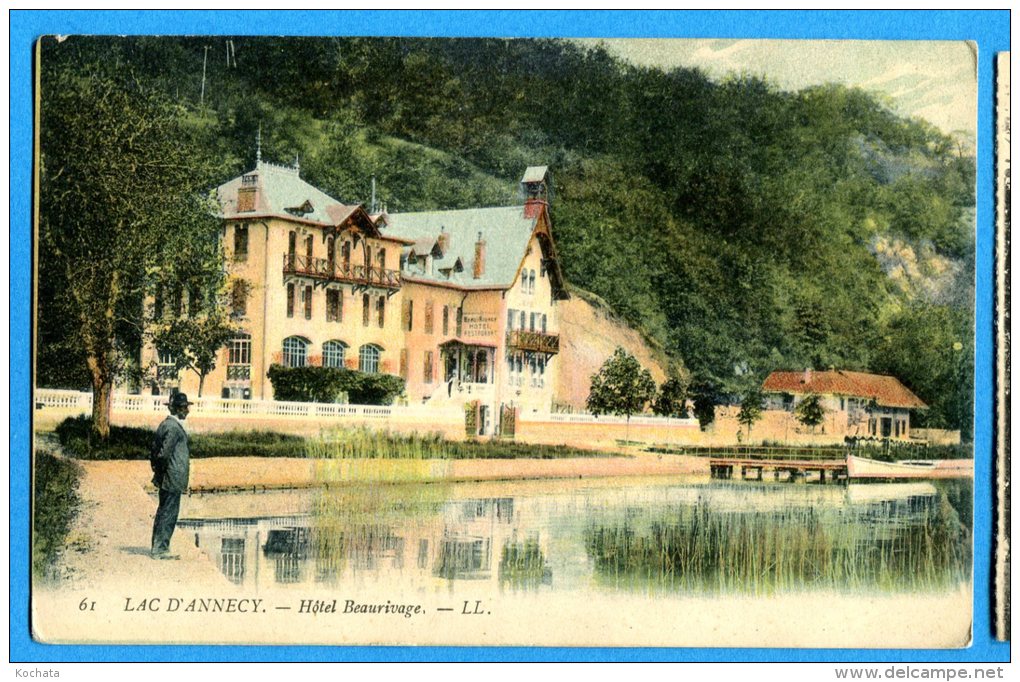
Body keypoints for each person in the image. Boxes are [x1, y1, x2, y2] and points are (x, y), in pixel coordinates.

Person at [149, 392, 192, 559]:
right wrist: (163, 474)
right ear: (174, 409)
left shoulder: (166, 425)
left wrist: (159, 474)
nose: (186, 411)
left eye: (186, 407)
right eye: (183, 408)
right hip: (171, 477)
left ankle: (159, 547)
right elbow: (163, 455)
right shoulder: (173, 427)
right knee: (169, 513)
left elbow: (155, 452)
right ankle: (160, 549)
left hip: (168, 476)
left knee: (164, 511)